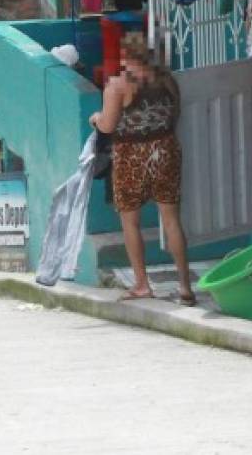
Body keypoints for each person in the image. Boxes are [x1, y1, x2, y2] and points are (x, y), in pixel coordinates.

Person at [89, 32, 195, 305]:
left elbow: (108, 126)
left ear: (126, 55)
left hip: (131, 157)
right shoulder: (168, 81)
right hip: (166, 151)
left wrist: (96, 118)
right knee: (171, 219)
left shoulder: (118, 85)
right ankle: (185, 286)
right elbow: (175, 114)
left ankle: (142, 285)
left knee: (130, 222)